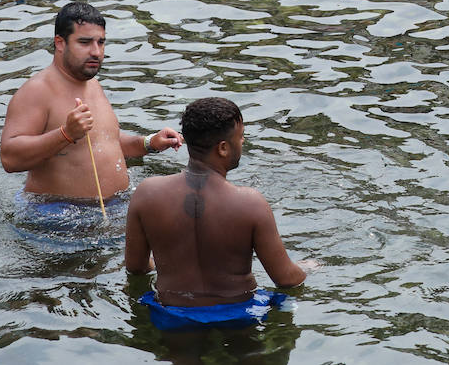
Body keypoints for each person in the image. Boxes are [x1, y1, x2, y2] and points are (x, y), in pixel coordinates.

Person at [126, 97, 311, 330]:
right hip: (239, 317)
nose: (243, 142)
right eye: (240, 137)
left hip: (171, 317)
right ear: (223, 148)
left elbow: (136, 267)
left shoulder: (146, 194)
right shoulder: (250, 203)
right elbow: (286, 279)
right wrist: (308, 268)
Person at [0, 2, 184, 211]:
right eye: (85, 42)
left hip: (113, 209)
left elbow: (105, 142)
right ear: (60, 43)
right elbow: (9, 158)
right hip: (57, 219)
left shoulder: (92, 84)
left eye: (101, 42)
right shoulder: (36, 91)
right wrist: (66, 134)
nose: (96, 52)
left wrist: (148, 143)